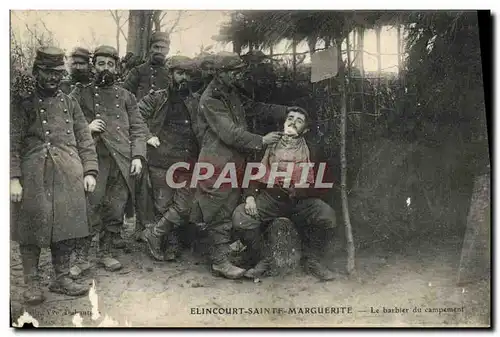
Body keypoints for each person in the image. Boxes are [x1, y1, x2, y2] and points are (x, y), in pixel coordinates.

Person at [11, 46, 98, 304]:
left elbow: (84, 137)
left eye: (58, 73)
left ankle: (61, 278)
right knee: (31, 227)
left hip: (68, 173)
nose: (53, 78)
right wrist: (12, 178)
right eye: (47, 72)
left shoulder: (70, 102)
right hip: (34, 174)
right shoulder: (21, 102)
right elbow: (11, 141)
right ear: (36, 71)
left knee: (67, 226)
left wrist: (90, 170)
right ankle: (31, 283)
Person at [196, 51, 290, 279]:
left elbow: (254, 107)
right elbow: (230, 133)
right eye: (233, 73)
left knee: (228, 208)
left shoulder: (230, 92)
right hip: (217, 162)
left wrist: (286, 110)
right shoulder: (211, 99)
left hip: (234, 161)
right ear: (220, 73)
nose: (238, 77)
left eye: (239, 72)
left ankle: (225, 256)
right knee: (217, 210)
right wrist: (261, 141)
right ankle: (219, 261)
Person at [232, 107, 337, 281]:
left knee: (327, 216)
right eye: (290, 118)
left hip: (300, 201)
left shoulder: (312, 148)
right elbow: (254, 174)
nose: (293, 122)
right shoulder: (270, 143)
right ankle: (264, 258)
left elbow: (324, 181)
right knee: (240, 217)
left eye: (299, 120)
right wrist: (250, 197)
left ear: (305, 129)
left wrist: (300, 191)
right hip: (272, 199)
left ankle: (312, 260)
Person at [70, 45, 147, 273]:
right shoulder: (79, 93)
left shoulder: (127, 97)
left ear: (117, 67)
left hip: (122, 160)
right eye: (101, 63)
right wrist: (87, 126)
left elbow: (138, 128)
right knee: (90, 207)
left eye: (110, 64)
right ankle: (82, 258)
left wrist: (138, 156)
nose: (106, 68)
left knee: (116, 208)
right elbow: (66, 123)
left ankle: (106, 252)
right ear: (94, 66)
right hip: (94, 159)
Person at [138, 56, 201, 261]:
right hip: (161, 160)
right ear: (171, 74)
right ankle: (171, 242)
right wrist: (149, 136)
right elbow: (135, 117)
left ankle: (154, 235)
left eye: (188, 74)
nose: (184, 78)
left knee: (184, 205)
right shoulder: (157, 98)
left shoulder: (196, 101)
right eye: (180, 73)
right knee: (163, 206)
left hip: (188, 161)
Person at [122, 31, 171, 101]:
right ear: (150, 49)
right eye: (156, 47)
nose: (159, 51)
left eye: (163, 48)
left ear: (168, 50)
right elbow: (125, 98)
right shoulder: (137, 72)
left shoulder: (171, 74)